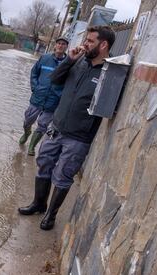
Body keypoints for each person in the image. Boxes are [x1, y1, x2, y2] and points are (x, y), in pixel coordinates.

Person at [18, 26, 116, 230]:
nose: (85, 44)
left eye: (90, 41)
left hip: (79, 137)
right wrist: (69, 60)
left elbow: (109, 107)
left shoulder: (111, 72)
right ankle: (38, 204)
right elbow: (54, 79)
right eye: (86, 40)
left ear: (103, 44)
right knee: (44, 162)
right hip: (57, 126)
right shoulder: (78, 61)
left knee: (63, 175)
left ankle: (50, 216)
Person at [19, 37, 69, 156]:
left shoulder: (68, 64)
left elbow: (69, 83)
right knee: (28, 120)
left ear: (66, 47)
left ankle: (32, 146)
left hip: (53, 100)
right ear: (55, 45)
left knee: (43, 125)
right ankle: (26, 133)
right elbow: (34, 73)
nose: (61, 46)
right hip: (38, 97)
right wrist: (35, 87)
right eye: (59, 43)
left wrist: (61, 95)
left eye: (63, 44)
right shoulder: (45, 58)